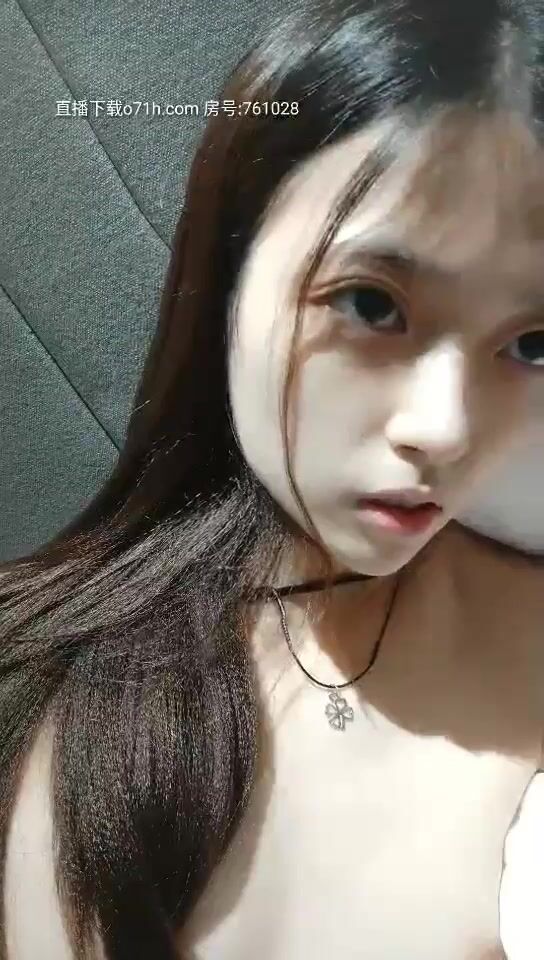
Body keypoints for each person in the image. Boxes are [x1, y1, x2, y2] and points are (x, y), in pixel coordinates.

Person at [1, 1, 544, 957]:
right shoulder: (35, 681)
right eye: (371, 302)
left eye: (534, 343)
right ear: (228, 274)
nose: (446, 429)